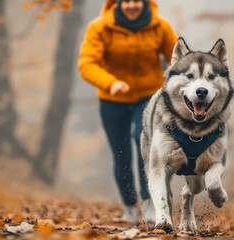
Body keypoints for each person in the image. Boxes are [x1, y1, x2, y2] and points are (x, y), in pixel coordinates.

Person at [78, 0, 178, 223]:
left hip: (148, 96)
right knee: (121, 154)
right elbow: (87, 63)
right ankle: (129, 205)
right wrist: (110, 82)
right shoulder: (99, 27)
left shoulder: (160, 26)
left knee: (144, 141)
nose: (132, 5)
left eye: (137, 1)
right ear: (118, 3)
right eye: (127, 1)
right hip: (112, 98)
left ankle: (149, 202)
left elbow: (178, 57)